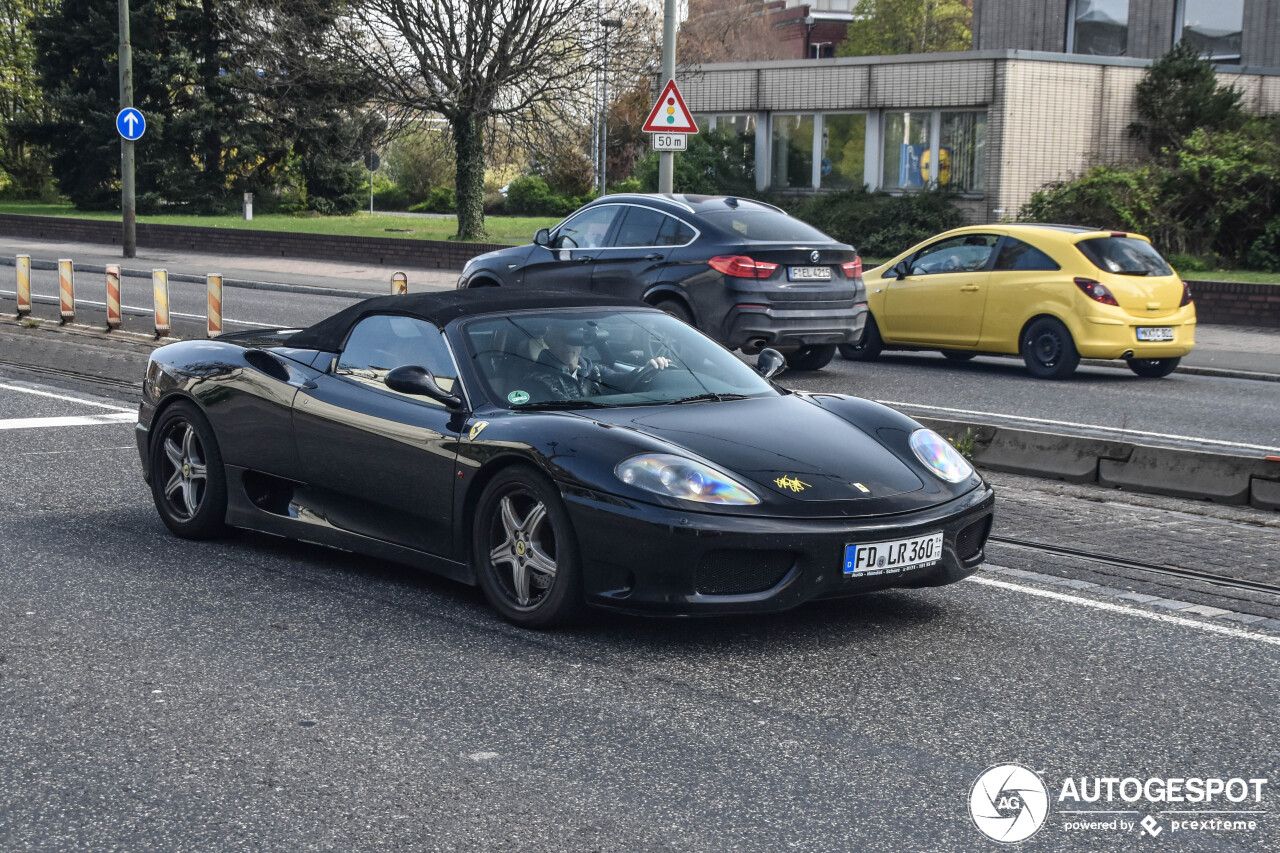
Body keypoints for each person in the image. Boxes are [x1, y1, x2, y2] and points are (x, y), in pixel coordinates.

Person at [524, 321, 672, 401]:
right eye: (560, 339)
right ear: (549, 342)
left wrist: (646, 371)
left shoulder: (594, 370)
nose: (568, 345)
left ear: (582, 342)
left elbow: (622, 381)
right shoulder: (537, 380)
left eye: (572, 339)